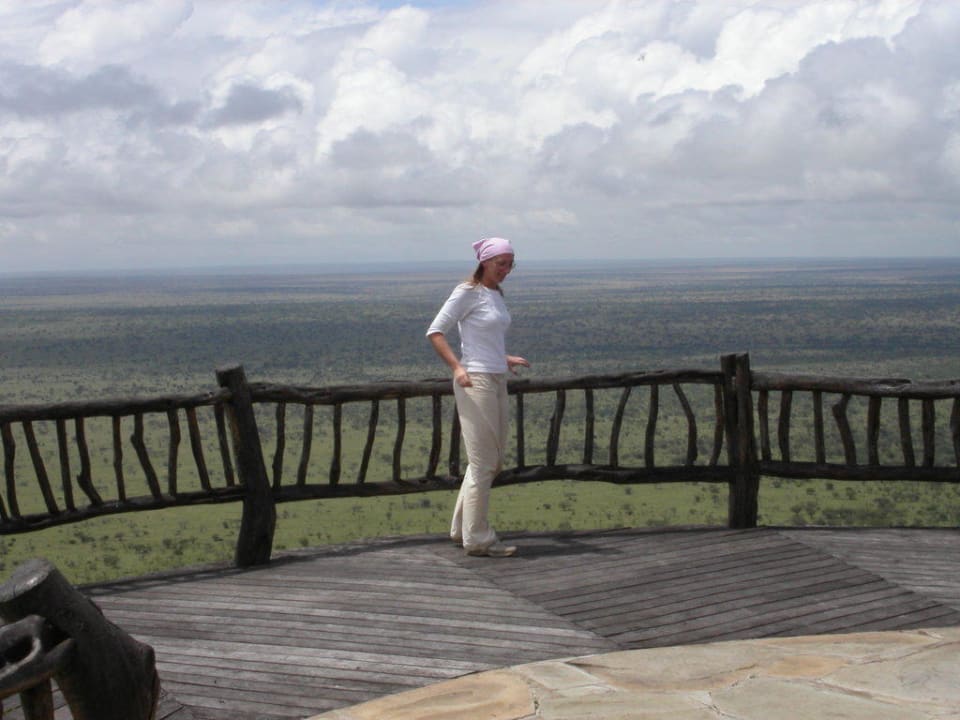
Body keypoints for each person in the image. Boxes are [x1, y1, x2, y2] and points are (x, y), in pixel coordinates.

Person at [426, 237, 530, 558]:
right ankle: (479, 539)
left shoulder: (494, 294)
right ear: (484, 262)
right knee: (485, 462)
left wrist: (504, 357)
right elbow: (435, 331)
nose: (506, 270)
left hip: (495, 376)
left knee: (489, 461)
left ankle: (462, 530)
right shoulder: (467, 292)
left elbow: (485, 338)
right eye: (501, 263)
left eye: (510, 264)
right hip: (475, 381)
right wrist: (457, 368)